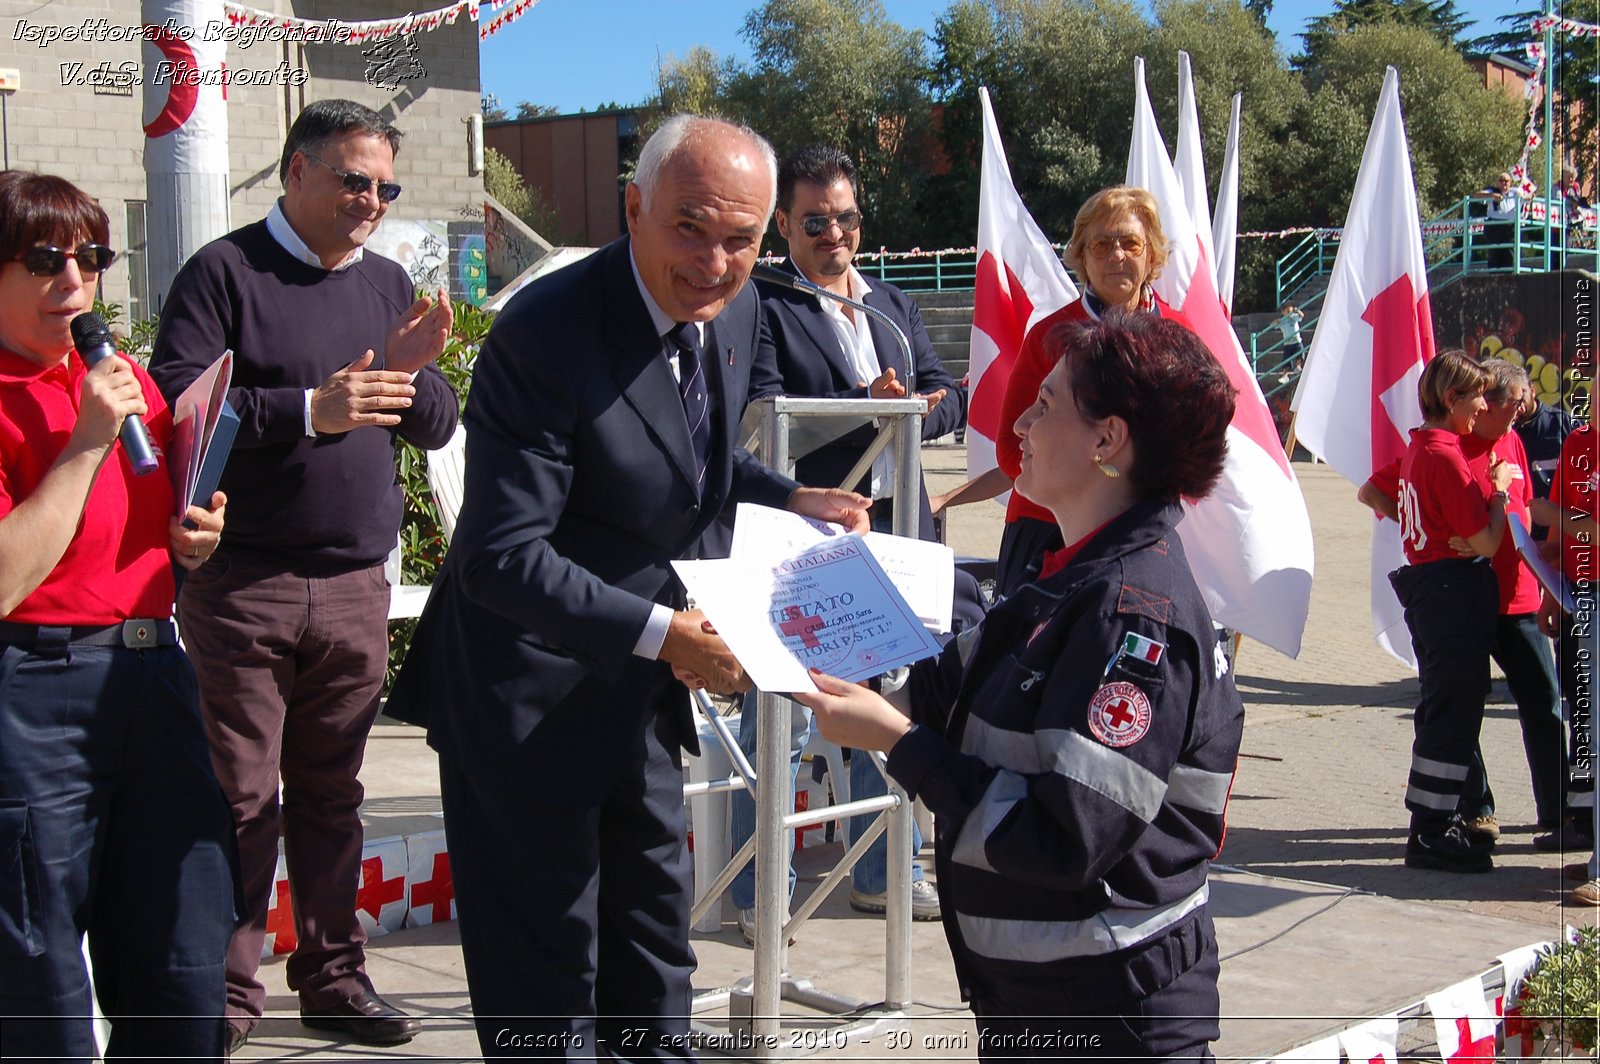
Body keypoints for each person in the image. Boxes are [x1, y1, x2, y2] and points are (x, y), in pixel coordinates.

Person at [385, 115, 871, 1059]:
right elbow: (499, 555)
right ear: (633, 207)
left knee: (654, 947)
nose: (714, 260)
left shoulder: (734, 307)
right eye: (690, 228)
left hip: (639, 692)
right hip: (521, 698)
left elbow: (695, 458)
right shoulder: (546, 333)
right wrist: (666, 637)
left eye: (741, 239)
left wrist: (791, 491)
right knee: (548, 976)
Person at [793, 311, 1243, 1060]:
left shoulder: (1135, 616)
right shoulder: (1065, 582)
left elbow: (1064, 838)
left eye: (1045, 405)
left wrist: (898, 744)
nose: (1020, 427)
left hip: (1110, 1015)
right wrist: (838, 591)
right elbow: (939, 691)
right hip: (1044, 1001)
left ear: (1108, 440)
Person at [148, 100, 458, 1051]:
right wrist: (306, 410)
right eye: (353, 179)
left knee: (332, 797)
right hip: (245, 585)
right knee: (240, 798)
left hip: (356, 585)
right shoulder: (225, 273)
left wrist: (411, 376)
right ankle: (228, 996)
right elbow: (175, 405)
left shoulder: (387, 281)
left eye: (385, 186)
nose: (371, 200)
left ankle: (333, 978)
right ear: (295, 171)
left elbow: (438, 421)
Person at [0, 171, 236, 1060]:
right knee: (37, 967)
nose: (76, 283)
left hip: (152, 672)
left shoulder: (119, 378)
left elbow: (150, 533)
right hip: (34, 684)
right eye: (45, 260)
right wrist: (86, 445)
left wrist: (196, 534)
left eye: (92, 260)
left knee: (180, 948)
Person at [726, 145, 964, 938]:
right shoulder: (763, 303)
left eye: (847, 218)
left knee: (888, 708)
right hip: (809, 538)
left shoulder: (890, 302)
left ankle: (886, 875)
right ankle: (761, 893)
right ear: (784, 225)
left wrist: (917, 409)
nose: (836, 234)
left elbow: (949, 393)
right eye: (817, 221)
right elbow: (761, 412)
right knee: (788, 718)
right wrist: (861, 404)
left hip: (899, 531)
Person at [1357, 359, 1567, 841]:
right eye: (1510, 404)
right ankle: (1471, 811)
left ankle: (1557, 811)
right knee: (1457, 707)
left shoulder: (1503, 439)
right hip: (1462, 600)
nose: (1521, 412)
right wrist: (1437, 529)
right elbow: (1374, 492)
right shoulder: (1444, 450)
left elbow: (1524, 507)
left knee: (1540, 702)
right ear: (1475, 402)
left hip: (1513, 597)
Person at [993, 185, 1178, 597]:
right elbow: (1010, 448)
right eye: (1101, 244)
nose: (1116, 256)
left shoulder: (1177, 341)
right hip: (1047, 532)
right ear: (1082, 257)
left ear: (1151, 255)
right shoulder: (1048, 337)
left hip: (1141, 534)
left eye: (1130, 243)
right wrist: (1097, 487)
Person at [1389, 351, 1515, 873]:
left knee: (1444, 708)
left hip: (1432, 588)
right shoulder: (1443, 453)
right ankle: (1431, 830)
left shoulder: (1421, 446)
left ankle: (1434, 820)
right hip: (1448, 591)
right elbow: (1486, 538)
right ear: (1451, 399)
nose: (1482, 406)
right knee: (1453, 711)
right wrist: (1501, 492)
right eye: (1476, 396)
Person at [1533, 422, 1598, 869]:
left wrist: (1555, 520)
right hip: (1577, 593)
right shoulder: (1579, 442)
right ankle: (1587, 827)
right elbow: (1560, 510)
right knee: (1581, 713)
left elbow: (1558, 515)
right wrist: (1551, 593)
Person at [1477, 173, 1520, 270]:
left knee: (1509, 253)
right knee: (1494, 253)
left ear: (1510, 183)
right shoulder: (1492, 191)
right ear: (1497, 183)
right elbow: (1477, 195)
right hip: (1494, 225)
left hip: (1510, 226)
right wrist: (1492, 195)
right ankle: (1493, 275)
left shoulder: (1515, 192)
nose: (1504, 183)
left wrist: (1529, 196)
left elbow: (1527, 194)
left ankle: (1509, 275)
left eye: (1506, 181)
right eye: (1501, 181)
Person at [1274, 302, 1305, 377]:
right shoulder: (1282, 320)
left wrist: (1297, 310)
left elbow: (1302, 316)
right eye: (1286, 311)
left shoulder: (1294, 316)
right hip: (1287, 343)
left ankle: (1298, 366)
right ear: (1283, 312)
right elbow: (1274, 325)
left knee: (1300, 352)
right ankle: (1285, 374)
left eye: (1290, 310)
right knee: (1286, 359)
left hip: (1297, 340)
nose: (1288, 312)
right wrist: (1276, 321)